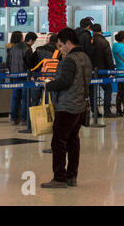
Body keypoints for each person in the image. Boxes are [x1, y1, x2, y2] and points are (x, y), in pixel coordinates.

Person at [41, 28, 92, 188]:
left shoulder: (70, 60)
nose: (60, 48)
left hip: (67, 106)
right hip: (80, 105)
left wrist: (49, 85)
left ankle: (60, 178)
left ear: (68, 43)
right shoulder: (85, 58)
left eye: (61, 45)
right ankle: (71, 176)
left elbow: (65, 81)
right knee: (73, 141)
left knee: (58, 142)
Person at [7, 32, 37, 126]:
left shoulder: (13, 48)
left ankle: (13, 118)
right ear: (31, 40)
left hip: (14, 75)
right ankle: (24, 119)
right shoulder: (28, 49)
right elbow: (29, 64)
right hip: (25, 76)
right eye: (34, 41)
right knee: (25, 98)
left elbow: (8, 62)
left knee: (15, 97)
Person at [91, 24, 116, 118]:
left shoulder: (90, 42)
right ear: (101, 30)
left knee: (92, 90)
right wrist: (112, 71)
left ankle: (94, 111)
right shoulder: (104, 42)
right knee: (108, 89)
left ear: (92, 31)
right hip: (103, 71)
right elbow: (108, 57)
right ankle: (106, 110)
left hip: (92, 70)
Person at [29, 33, 61, 106]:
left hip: (37, 76)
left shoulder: (39, 48)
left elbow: (31, 61)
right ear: (57, 42)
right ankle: (47, 116)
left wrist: (32, 74)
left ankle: (34, 116)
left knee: (34, 100)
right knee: (48, 101)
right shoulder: (57, 52)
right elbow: (59, 67)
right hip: (49, 78)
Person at [75, 18, 95, 113]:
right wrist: (92, 45)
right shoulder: (86, 35)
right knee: (88, 87)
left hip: (75, 62)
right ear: (88, 26)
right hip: (85, 63)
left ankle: (79, 108)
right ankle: (89, 109)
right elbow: (89, 51)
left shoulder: (74, 33)